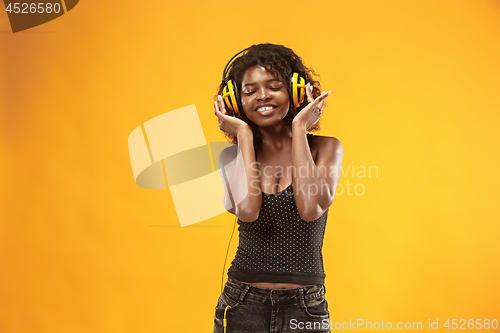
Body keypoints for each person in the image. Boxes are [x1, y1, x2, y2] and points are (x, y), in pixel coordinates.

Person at [213, 43, 343, 333]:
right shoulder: (231, 157)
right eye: (249, 91)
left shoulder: (326, 148)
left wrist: (299, 128)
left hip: (305, 306)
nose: (262, 96)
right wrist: (244, 135)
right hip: (241, 301)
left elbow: (310, 209)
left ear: (296, 92)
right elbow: (247, 211)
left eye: (274, 86)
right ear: (235, 101)